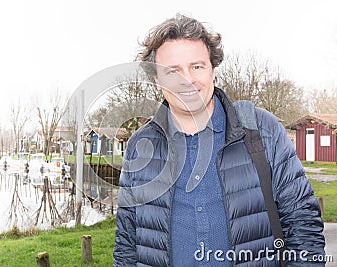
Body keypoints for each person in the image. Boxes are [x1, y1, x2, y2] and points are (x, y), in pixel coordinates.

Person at [113, 14, 325, 266]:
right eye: (173, 71)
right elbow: (127, 243)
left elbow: (302, 225)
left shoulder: (261, 130)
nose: (187, 80)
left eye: (197, 66)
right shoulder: (140, 146)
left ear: (213, 69)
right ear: (157, 80)